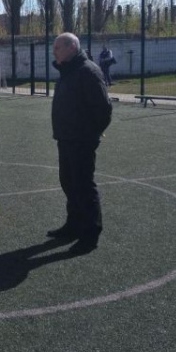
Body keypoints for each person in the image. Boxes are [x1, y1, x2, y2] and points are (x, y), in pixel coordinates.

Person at [48, 33, 113, 254]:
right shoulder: (68, 71)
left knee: (83, 185)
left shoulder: (88, 71)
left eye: (57, 47)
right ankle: (73, 225)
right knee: (68, 182)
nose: (54, 51)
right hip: (66, 137)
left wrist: (93, 132)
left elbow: (103, 109)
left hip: (82, 139)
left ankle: (90, 234)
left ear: (71, 47)